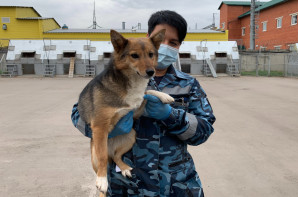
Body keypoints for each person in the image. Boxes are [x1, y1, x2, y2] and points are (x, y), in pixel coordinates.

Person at [71, 10, 216, 197]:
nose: (164, 46)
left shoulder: (187, 85)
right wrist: (103, 128)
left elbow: (204, 131)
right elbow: (78, 113)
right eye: (160, 39)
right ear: (148, 37)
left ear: (179, 46)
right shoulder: (112, 81)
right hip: (125, 187)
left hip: (175, 187)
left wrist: (171, 116)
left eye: (173, 42)